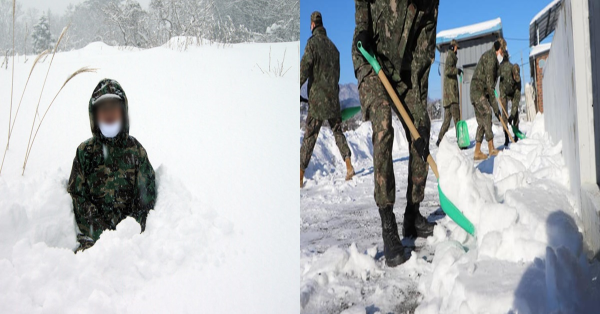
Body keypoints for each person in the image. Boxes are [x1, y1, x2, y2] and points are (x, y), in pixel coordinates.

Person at [352, 0, 439, 267]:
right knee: (383, 125)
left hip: (403, 75)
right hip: (370, 58)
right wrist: (363, 29)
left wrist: (419, 117)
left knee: (420, 126)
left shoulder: (430, 4)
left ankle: (412, 214)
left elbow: (422, 60)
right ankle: (387, 220)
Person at [68, 79, 156, 252]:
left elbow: (145, 200)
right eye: (103, 108)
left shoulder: (136, 152)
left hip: (132, 244)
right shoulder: (84, 153)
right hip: (93, 244)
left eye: (114, 107)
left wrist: (127, 233)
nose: (109, 113)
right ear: (94, 114)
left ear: (123, 112)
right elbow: (78, 197)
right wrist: (102, 235)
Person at [300, 11, 354, 188]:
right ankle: (348, 165)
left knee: (310, 136)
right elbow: (337, 76)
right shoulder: (334, 48)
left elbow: (304, 69)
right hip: (333, 100)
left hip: (317, 100)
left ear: (312, 25)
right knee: (338, 132)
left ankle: (299, 175)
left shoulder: (312, 44)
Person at [470, 38, 506, 160]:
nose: (502, 54)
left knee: (482, 122)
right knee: (487, 113)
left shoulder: (493, 60)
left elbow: (490, 87)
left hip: (478, 91)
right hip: (477, 91)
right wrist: (495, 108)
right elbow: (490, 87)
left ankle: (477, 152)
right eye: (502, 51)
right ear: (497, 49)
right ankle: (491, 148)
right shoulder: (491, 58)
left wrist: (495, 105)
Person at [437, 39, 463, 147]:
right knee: (457, 118)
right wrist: (457, 71)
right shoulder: (451, 57)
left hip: (448, 96)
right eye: (456, 47)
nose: (457, 50)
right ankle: (461, 141)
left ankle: (439, 140)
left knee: (447, 120)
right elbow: (447, 71)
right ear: (453, 47)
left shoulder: (450, 57)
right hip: (452, 95)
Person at [499, 51, 522, 146]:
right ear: (512, 73)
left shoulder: (518, 82)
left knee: (515, 112)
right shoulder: (504, 70)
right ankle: (506, 137)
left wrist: (512, 116)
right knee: (504, 114)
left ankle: (516, 135)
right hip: (504, 90)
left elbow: (516, 101)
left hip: (512, 93)